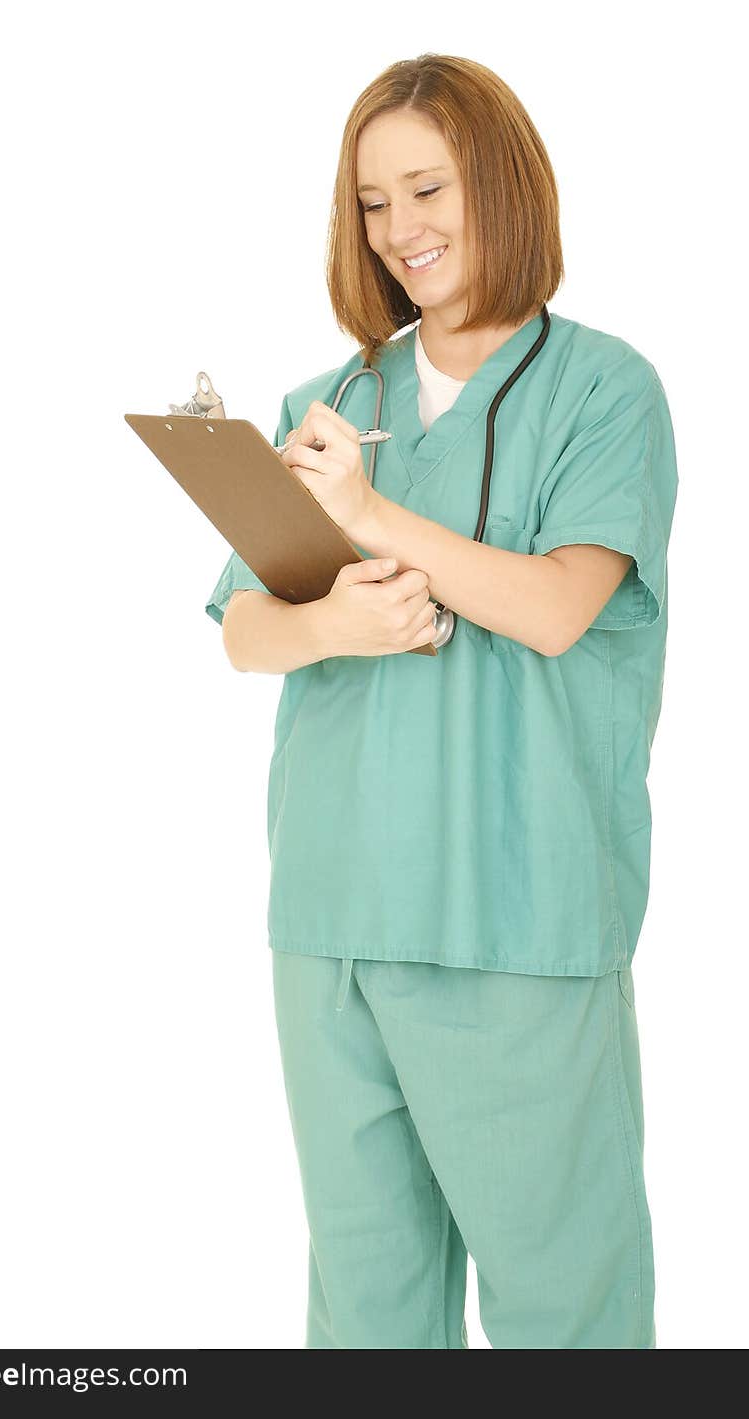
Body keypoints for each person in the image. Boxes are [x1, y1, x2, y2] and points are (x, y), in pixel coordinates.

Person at [204, 54, 678, 1349]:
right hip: (333, 925)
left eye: (429, 187)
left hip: (516, 923)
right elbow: (246, 631)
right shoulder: (333, 404)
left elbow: (560, 606)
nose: (401, 230)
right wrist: (334, 620)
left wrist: (368, 515)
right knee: (364, 1315)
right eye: (372, 202)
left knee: (562, 1310)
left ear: (504, 188)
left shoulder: (602, 391)